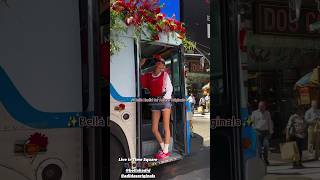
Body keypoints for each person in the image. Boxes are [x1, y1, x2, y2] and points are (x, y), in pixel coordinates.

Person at [140, 55, 173, 160]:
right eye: (157, 62)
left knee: (165, 127)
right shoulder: (149, 75)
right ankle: (164, 149)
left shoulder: (165, 75)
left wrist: (165, 98)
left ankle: (165, 151)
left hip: (164, 101)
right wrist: (140, 65)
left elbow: (170, 89)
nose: (158, 63)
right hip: (154, 102)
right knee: (154, 129)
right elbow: (140, 78)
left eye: (160, 62)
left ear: (163, 65)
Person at [251, 101, 274, 165]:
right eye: (260, 106)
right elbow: (250, 122)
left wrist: (271, 132)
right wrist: (253, 130)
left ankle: (266, 159)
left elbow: (270, 122)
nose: (261, 107)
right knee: (259, 147)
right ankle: (260, 160)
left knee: (266, 145)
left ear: (265, 107)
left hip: (266, 132)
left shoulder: (267, 113)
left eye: (262, 106)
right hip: (257, 132)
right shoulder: (254, 113)